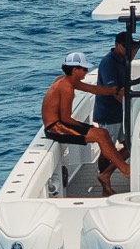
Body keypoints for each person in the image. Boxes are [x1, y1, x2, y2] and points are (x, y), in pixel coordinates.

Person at [42, 52, 130, 194]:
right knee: (100, 135)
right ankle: (125, 169)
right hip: (55, 128)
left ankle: (106, 175)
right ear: (75, 70)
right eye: (84, 69)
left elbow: (93, 89)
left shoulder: (66, 80)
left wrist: (112, 90)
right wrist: (88, 130)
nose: (86, 72)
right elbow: (65, 118)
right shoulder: (67, 87)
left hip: (60, 123)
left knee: (103, 133)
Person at [93, 31, 136, 148]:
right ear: (117, 45)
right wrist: (131, 107)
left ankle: (121, 166)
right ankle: (106, 167)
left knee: (129, 144)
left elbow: (130, 57)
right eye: (125, 46)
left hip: (120, 114)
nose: (128, 49)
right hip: (109, 115)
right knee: (107, 149)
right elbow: (113, 91)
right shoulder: (109, 63)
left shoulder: (122, 58)